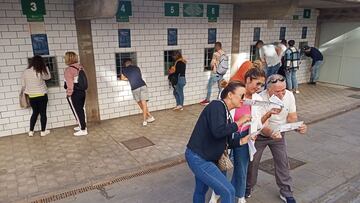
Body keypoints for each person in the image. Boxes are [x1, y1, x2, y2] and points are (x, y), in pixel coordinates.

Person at [210, 68, 280, 203]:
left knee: (241, 168)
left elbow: (258, 123)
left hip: (245, 136)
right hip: (228, 135)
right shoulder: (234, 93)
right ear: (248, 80)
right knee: (222, 165)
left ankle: (240, 195)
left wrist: (268, 114)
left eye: (262, 85)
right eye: (257, 83)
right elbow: (221, 114)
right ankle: (217, 192)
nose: (259, 88)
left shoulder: (257, 99)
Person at [186, 81, 252, 203]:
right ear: (230, 95)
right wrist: (239, 122)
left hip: (205, 157)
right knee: (228, 191)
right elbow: (218, 131)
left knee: (201, 190)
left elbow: (226, 142)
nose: (244, 99)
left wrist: (243, 140)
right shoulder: (217, 105)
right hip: (199, 158)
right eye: (242, 95)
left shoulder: (226, 113)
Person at [246, 74, 307, 203]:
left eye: (283, 90)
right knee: (252, 162)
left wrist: (297, 127)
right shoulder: (261, 98)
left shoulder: (289, 95)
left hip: (279, 133)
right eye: (277, 91)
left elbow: (291, 117)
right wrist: (272, 132)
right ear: (268, 90)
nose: (281, 94)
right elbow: (263, 126)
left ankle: (286, 192)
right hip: (260, 135)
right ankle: (248, 187)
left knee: (283, 162)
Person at [21, 55, 51, 137]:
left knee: (35, 113)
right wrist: (46, 67)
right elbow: (48, 77)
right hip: (42, 95)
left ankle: (31, 131)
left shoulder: (25, 72)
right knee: (43, 113)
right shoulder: (40, 71)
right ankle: (43, 131)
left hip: (32, 96)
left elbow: (23, 84)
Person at [121, 58, 155, 126]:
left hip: (135, 88)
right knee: (144, 104)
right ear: (131, 63)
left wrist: (129, 78)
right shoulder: (137, 68)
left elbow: (122, 78)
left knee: (140, 104)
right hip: (143, 86)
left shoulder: (124, 70)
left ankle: (145, 120)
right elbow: (139, 76)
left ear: (125, 64)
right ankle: (149, 117)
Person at [64, 51, 88, 136]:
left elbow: (69, 83)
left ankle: (83, 129)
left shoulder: (68, 70)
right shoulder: (80, 67)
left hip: (75, 93)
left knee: (78, 111)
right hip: (82, 92)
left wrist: (69, 93)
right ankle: (81, 125)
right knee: (80, 110)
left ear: (68, 59)